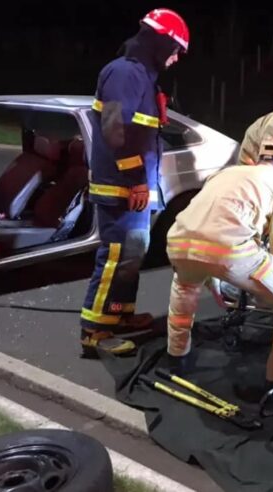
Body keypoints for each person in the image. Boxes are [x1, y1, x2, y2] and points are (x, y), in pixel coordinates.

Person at [165, 136, 273, 394]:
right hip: (228, 252)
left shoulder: (225, 174)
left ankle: (177, 356)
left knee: (184, 289)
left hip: (179, 243)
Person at [80, 8, 190, 357]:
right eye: (175, 50)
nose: (175, 59)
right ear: (159, 42)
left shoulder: (141, 76)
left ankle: (118, 316)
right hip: (122, 186)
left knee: (131, 255)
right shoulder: (124, 73)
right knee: (115, 256)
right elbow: (116, 131)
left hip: (133, 186)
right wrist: (136, 180)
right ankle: (95, 331)